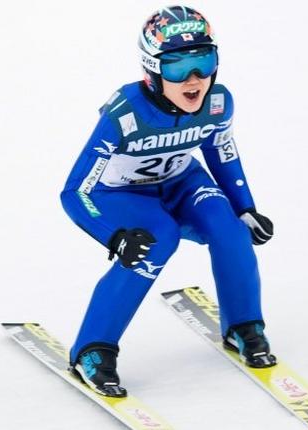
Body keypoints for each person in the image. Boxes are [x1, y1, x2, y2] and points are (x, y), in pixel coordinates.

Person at [60, 5, 276, 398]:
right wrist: (114, 237)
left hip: (180, 182)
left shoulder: (218, 102)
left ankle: (245, 326)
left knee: (230, 229)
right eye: (177, 67)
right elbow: (75, 191)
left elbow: (221, 150)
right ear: (152, 70)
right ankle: (93, 349)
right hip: (122, 194)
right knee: (156, 239)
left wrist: (245, 206)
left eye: (204, 60)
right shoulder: (126, 113)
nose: (194, 78)